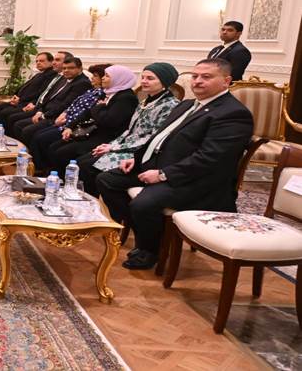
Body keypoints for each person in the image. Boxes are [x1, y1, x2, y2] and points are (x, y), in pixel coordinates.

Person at [96, 58, 254, 270]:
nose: (197, 81)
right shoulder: (187, 105)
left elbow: (209, 159)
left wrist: (162, 174)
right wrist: (136, 158)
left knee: (143, 204)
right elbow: (159, 138)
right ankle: (146, 230)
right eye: (195, 76)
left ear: (226, 81)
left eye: (206, 77)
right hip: (163, 166)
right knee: (106, 180)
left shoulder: (233, 114)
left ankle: (149, 251)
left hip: (196, 181)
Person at [77, 62, 180, 196]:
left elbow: (153, 138)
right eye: (143, 77)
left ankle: (95, 204)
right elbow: (130, 129)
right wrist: (110, 145)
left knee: (88, 167)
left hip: (139, 152)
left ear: (164, 81)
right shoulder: (145, 101)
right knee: (82, 161)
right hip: (124, 146)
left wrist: (114, 148)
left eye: (150, 78)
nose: (144, 81)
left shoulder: (170, 106)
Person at [44, 65, 138, 175]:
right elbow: (88, 112)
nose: (103, 78)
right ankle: (55, 177)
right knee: (54, 146)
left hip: (107, 138)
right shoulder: (109, 93)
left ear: (119, 78)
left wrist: (99, 107)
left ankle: (64, 180)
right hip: (92, 133)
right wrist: (70, 127)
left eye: (107, 76)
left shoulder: (126, 98)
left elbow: (108, 121)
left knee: (63, 152)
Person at [27, 63, 109, 171]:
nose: (92, 78)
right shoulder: (92, 90)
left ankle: (42, 169)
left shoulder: (101, 94)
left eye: (96, 76)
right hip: (65, 120)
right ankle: (39, 167)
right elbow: (73, 103)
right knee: (37, 135)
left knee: (41, 138)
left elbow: (87, 113)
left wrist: (69, 124)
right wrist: (64, 113)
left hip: (76, 126)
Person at [8, 56, 91, 143]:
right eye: (64, 68)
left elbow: (65, 105)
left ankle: (24, 150)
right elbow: (48, 97)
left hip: (55, 117)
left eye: (71, 68)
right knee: (17, 122)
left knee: (24, 128)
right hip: (46, 112)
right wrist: (40, 111)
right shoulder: (65, 78)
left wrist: (44, 115)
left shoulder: (82, 83)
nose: (66, 70)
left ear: (80, 68)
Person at [0, 51, 72, 131]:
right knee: (2, 109)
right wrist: (17, 96)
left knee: (12, 118)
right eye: (37, 61)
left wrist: (37, 108)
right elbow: (28, 88)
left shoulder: (57, 76)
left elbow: (45, 96)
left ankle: (3, 135)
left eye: (57, 60)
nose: (54, 63)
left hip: (43, 110)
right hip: (37, 106)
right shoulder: (48, 75)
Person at [0, 52, 57, 128]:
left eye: (41, 61)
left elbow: (41, 94)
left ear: (51, 62)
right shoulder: (39, 74)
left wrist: (22, 100)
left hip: (28, 104)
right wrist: (16, 96)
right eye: (37, 61)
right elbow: (24, 86)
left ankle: (3, 133)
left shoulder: (51, 76)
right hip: (20, 101)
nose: (38, 63)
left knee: (4, 113)